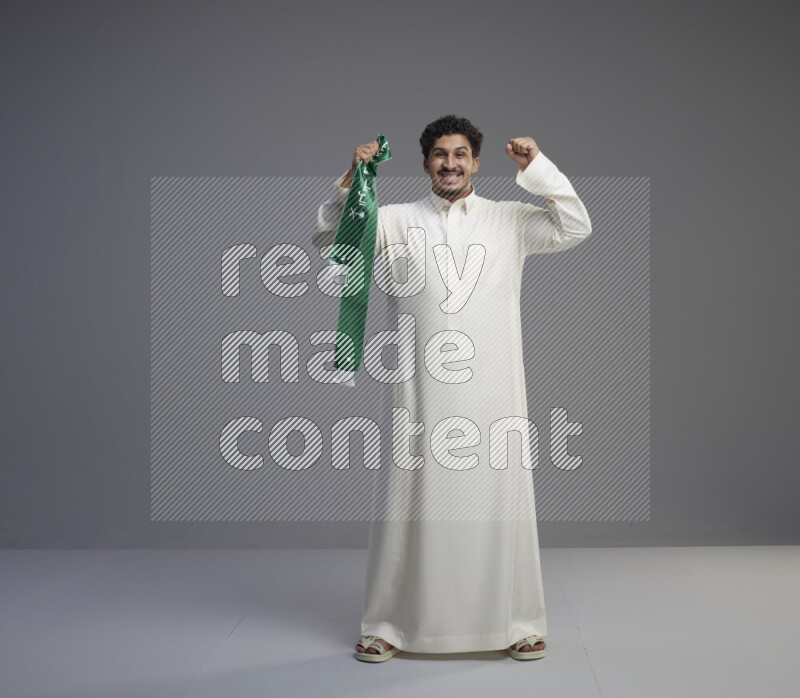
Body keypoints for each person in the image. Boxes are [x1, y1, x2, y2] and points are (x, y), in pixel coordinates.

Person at [312, 115, 592, 662]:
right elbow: (329, 242)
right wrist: (352, 181)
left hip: (495, 391)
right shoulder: (392, 220)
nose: (450, 163)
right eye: (440, 155)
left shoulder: (508, 219)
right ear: (425, 164)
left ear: (476, 162)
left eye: (460, 154)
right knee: (408, 503)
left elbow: (575, 226)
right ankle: (387, 624)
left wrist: (537, 167)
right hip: (419, 391)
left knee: (500, 500)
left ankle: (518, 621)